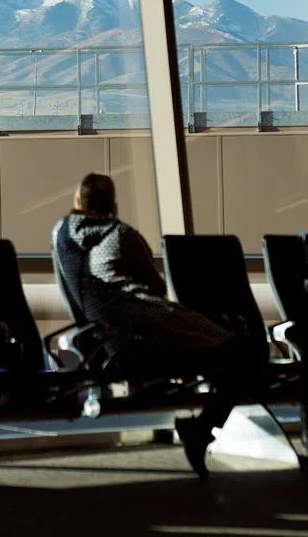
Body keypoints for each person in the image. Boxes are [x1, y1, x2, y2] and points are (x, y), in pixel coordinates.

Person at [51, 173, 265, 479]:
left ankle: (201, 427)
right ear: (112, 203)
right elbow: (156, 287)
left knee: (230, 355)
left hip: (103, 338)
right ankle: (201, 427)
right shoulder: (123, 234)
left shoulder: (62, 234)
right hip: (144, 327)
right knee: (241, 353)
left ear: (78, 202)